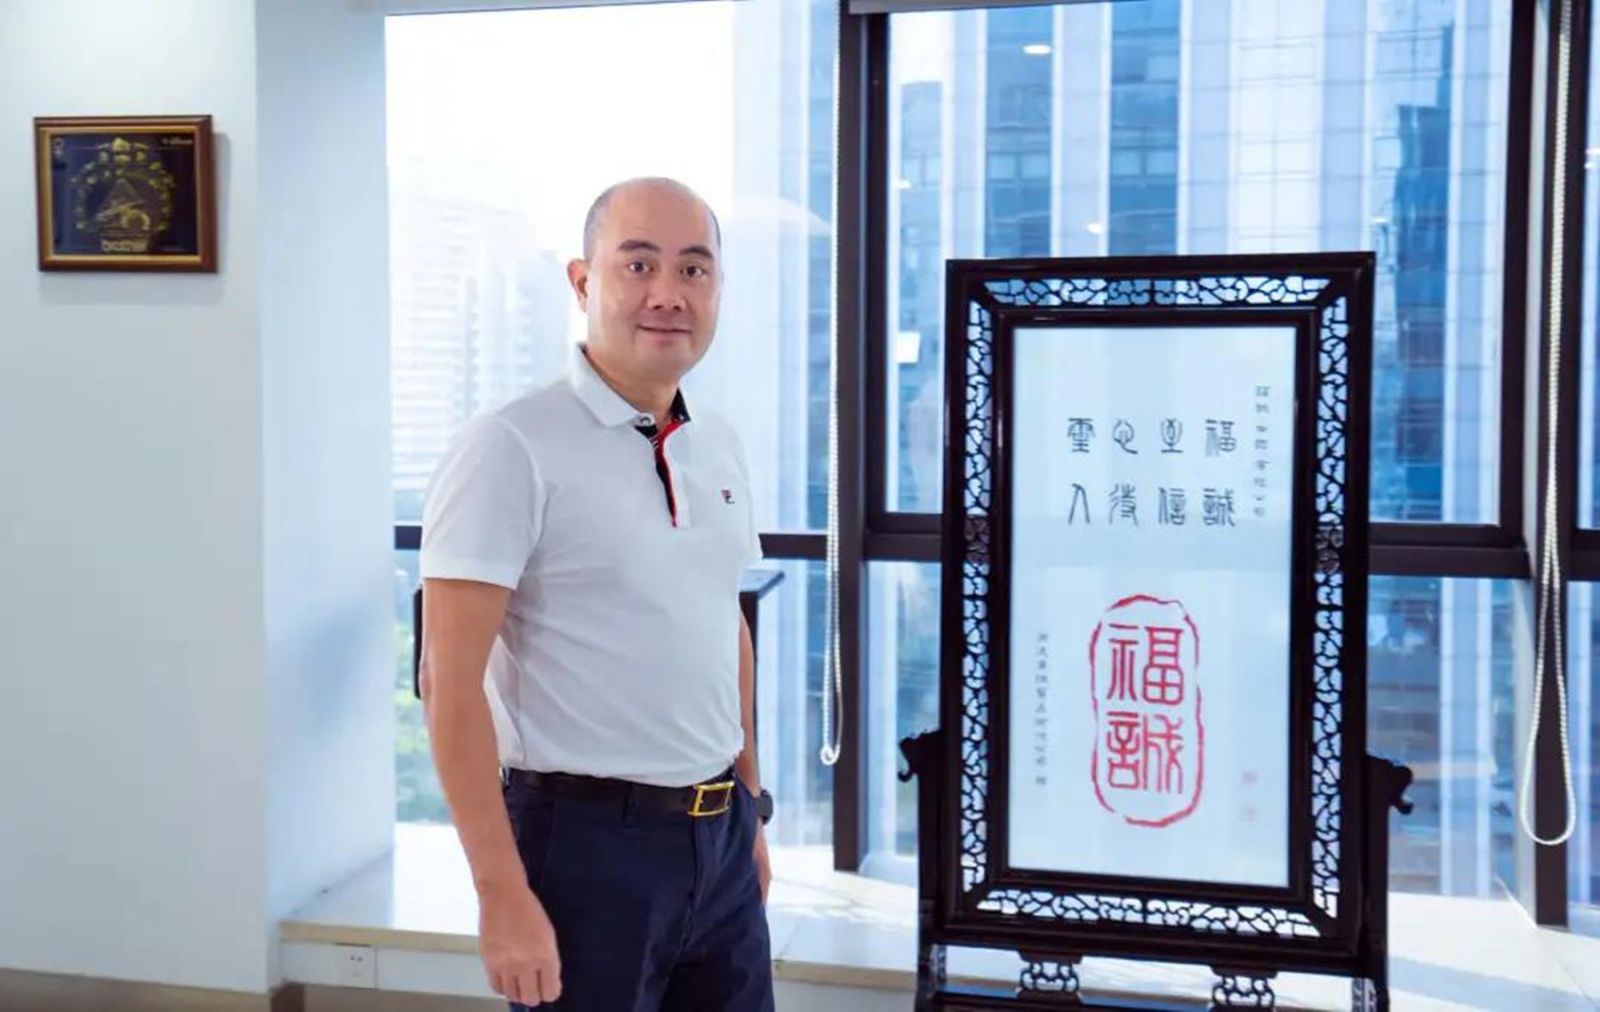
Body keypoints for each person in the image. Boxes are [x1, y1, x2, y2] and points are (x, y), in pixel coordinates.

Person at [418, 177, 774, 1011]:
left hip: (719, 836)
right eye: (638, 264)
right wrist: (500, 893)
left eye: (693, 269)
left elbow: (721, 620)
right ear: (582, 282)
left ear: (718, 288)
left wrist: (749, 806)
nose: (668, 293)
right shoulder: (510, 445)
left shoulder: (716, 443)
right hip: (582, 847)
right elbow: (448, 680)